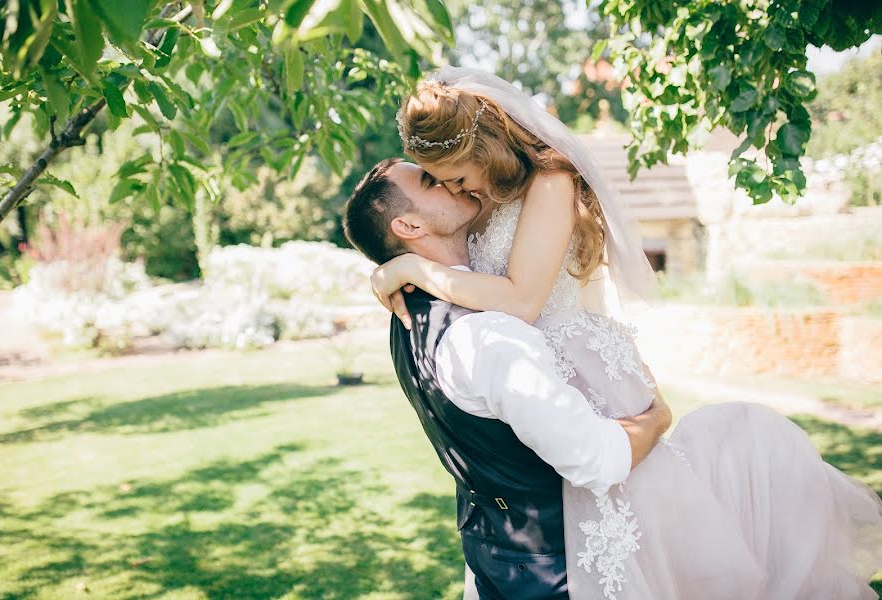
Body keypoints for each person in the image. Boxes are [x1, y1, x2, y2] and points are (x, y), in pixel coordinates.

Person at [367, 67, 882, 599]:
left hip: (577, 367)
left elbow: (521, 299)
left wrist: (412, 270)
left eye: (453, 174)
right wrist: (394, 262)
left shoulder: (551, 181)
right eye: (440, 182)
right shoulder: (479, 199)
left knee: (630, 535)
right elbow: (438, 245)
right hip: (535, 374)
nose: (453, 189)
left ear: (484, 145)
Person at [343, 157, 672, 599]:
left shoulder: (406, 319)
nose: (446, 180)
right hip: (555, 570)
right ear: (408, 226)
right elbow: (596, 459)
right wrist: (657, 417)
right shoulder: (489, 337)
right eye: (429, 181)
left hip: (491, 550)